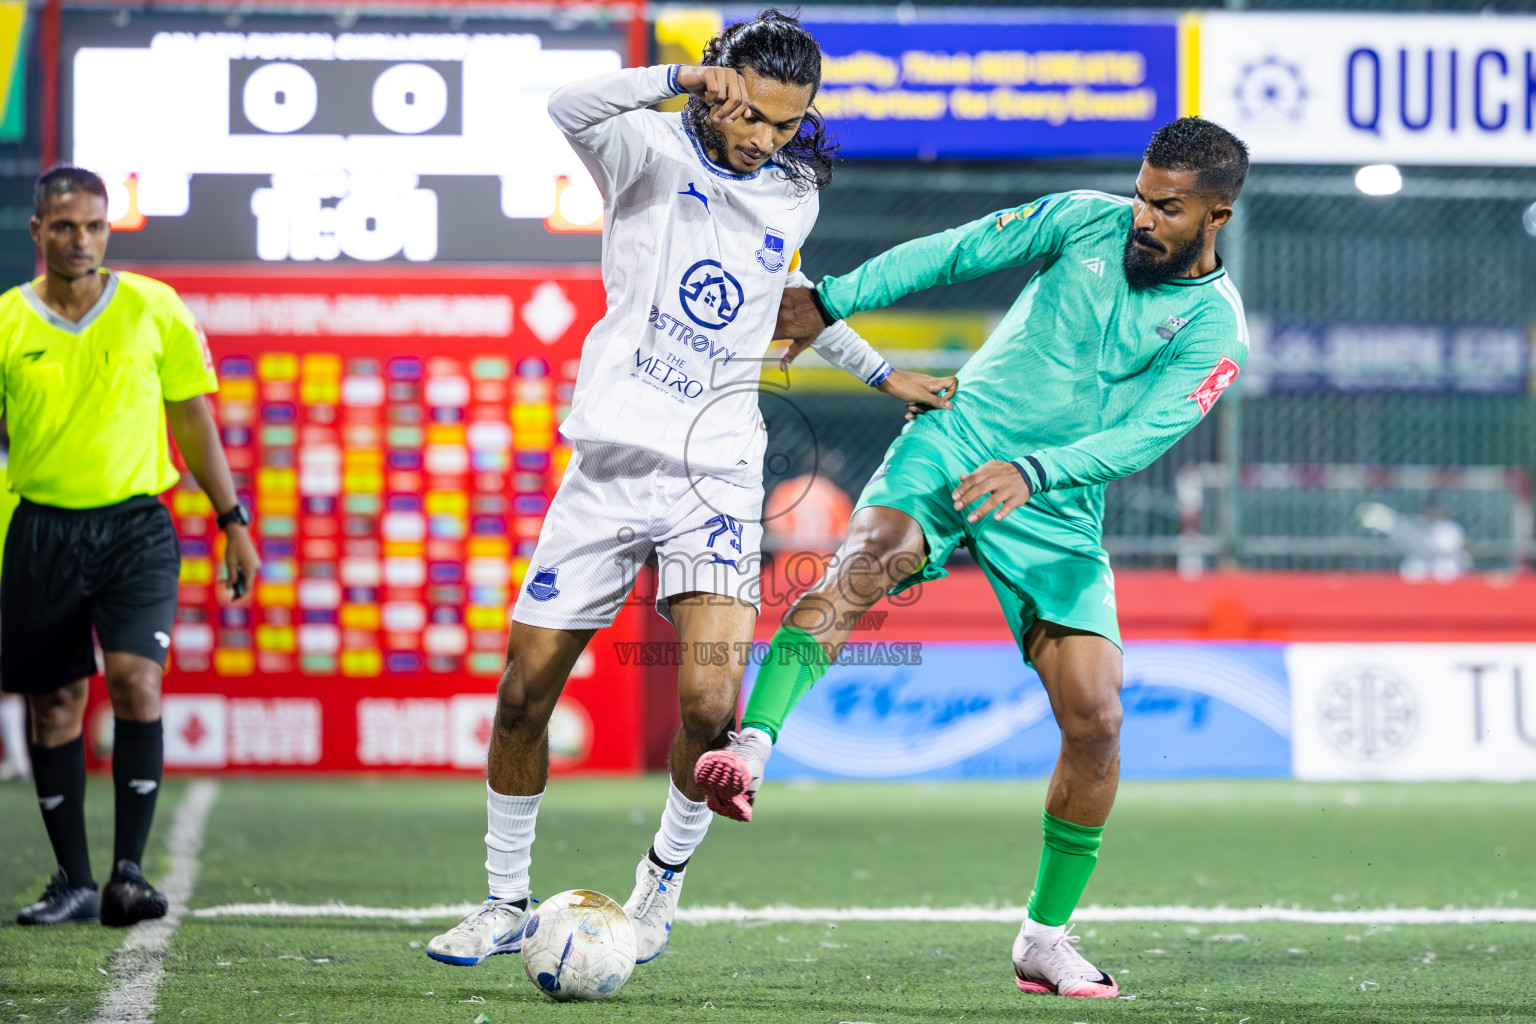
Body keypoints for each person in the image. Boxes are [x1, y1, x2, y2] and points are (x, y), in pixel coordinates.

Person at [424, 10, 955, 970]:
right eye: (748, 113)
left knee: (713, 711)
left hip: (714, 477)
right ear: (717, 85)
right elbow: (563, 103)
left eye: (786, 124)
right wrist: (676, 79)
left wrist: (883, 375)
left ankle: (658, 886)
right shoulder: (643, 144)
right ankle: (504, 902)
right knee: (522, 696)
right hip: (609, 469)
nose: (762, 139)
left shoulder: (794, 190)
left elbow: (786, 302)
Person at [694, 118, 1252, 999]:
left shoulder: (1216, 328)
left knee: (1097, 718)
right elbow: (951, 253)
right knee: (867, 563)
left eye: (1168, 208)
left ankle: (1044, 938)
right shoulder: (1081, 218)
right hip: (957, 440)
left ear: (1216, 214)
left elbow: (1148, 434)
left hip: (1055, 501)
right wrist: (834, 298)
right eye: (1143, 195)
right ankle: (753, 747)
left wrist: (1038, 471)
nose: (1143, 217)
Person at [3, 166, 259, 926]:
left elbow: (192, 420)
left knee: (134, 680)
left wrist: (231, 519)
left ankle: (127, 875)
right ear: (37, 232)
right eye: (64, 226)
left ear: (108, 230)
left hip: (135, 526)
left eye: (94, 225)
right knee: (54, 706)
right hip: (41, 526)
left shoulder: (155, 307)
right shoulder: (9, 324)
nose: (80, 240)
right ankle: (74, 880)